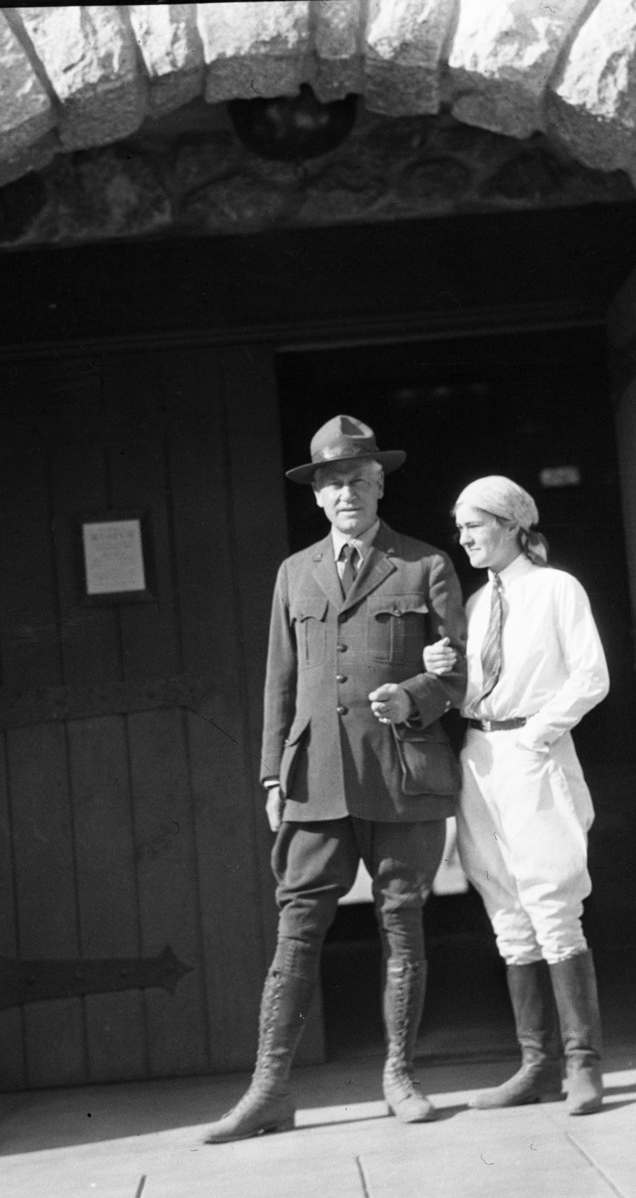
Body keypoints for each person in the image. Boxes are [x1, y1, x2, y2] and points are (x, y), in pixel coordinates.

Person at [203, 414, 467, 1143]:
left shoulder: (425, 565)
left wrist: (413, 697)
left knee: (401, 925)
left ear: (379, 484)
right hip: (313, 776)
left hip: (401, 774)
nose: (345, 493)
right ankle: (268, 1089)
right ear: (317, 497)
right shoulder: (295, 573)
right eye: (331, 483)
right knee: (297, 931)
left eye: (357, 479)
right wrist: (268, 778)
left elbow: (464, 673)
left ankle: (400, 1077)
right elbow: (277, 685)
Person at [422, 475, 611, 1114]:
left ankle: (584, 1066)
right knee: (505, 908)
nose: (464, 537)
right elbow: (471, 688)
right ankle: (536, 1064)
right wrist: (446, 671)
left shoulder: (557, 589)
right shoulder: (475, 606)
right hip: (481, 758)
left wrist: (538, 736)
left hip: (534, 752)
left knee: (552, 902)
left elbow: (591, 674)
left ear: (509, 525)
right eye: (460, 527)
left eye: (473, 525)